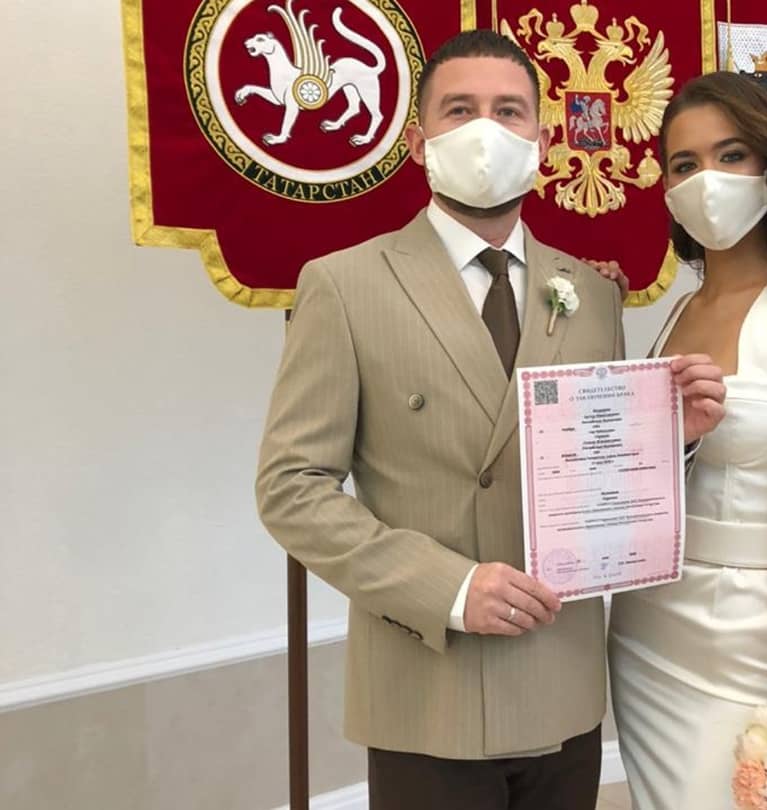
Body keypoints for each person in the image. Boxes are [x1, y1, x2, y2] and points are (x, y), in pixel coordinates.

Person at [255, 30, 726, 810]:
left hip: (563, 682)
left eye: (509, 111)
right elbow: (291, 489)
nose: (486, 130)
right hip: (428, 690)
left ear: (541, 140)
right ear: (419, 143)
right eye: (460, 109)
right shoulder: (344, 285)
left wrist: (666, 443)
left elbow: (594, 474)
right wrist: (448, 587)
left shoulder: (591, 293)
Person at [603, 71, 767, 809]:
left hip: (748, 626)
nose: (706, 179)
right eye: (685, 164)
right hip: (648, 622)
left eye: (731, 155)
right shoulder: (678, 310)